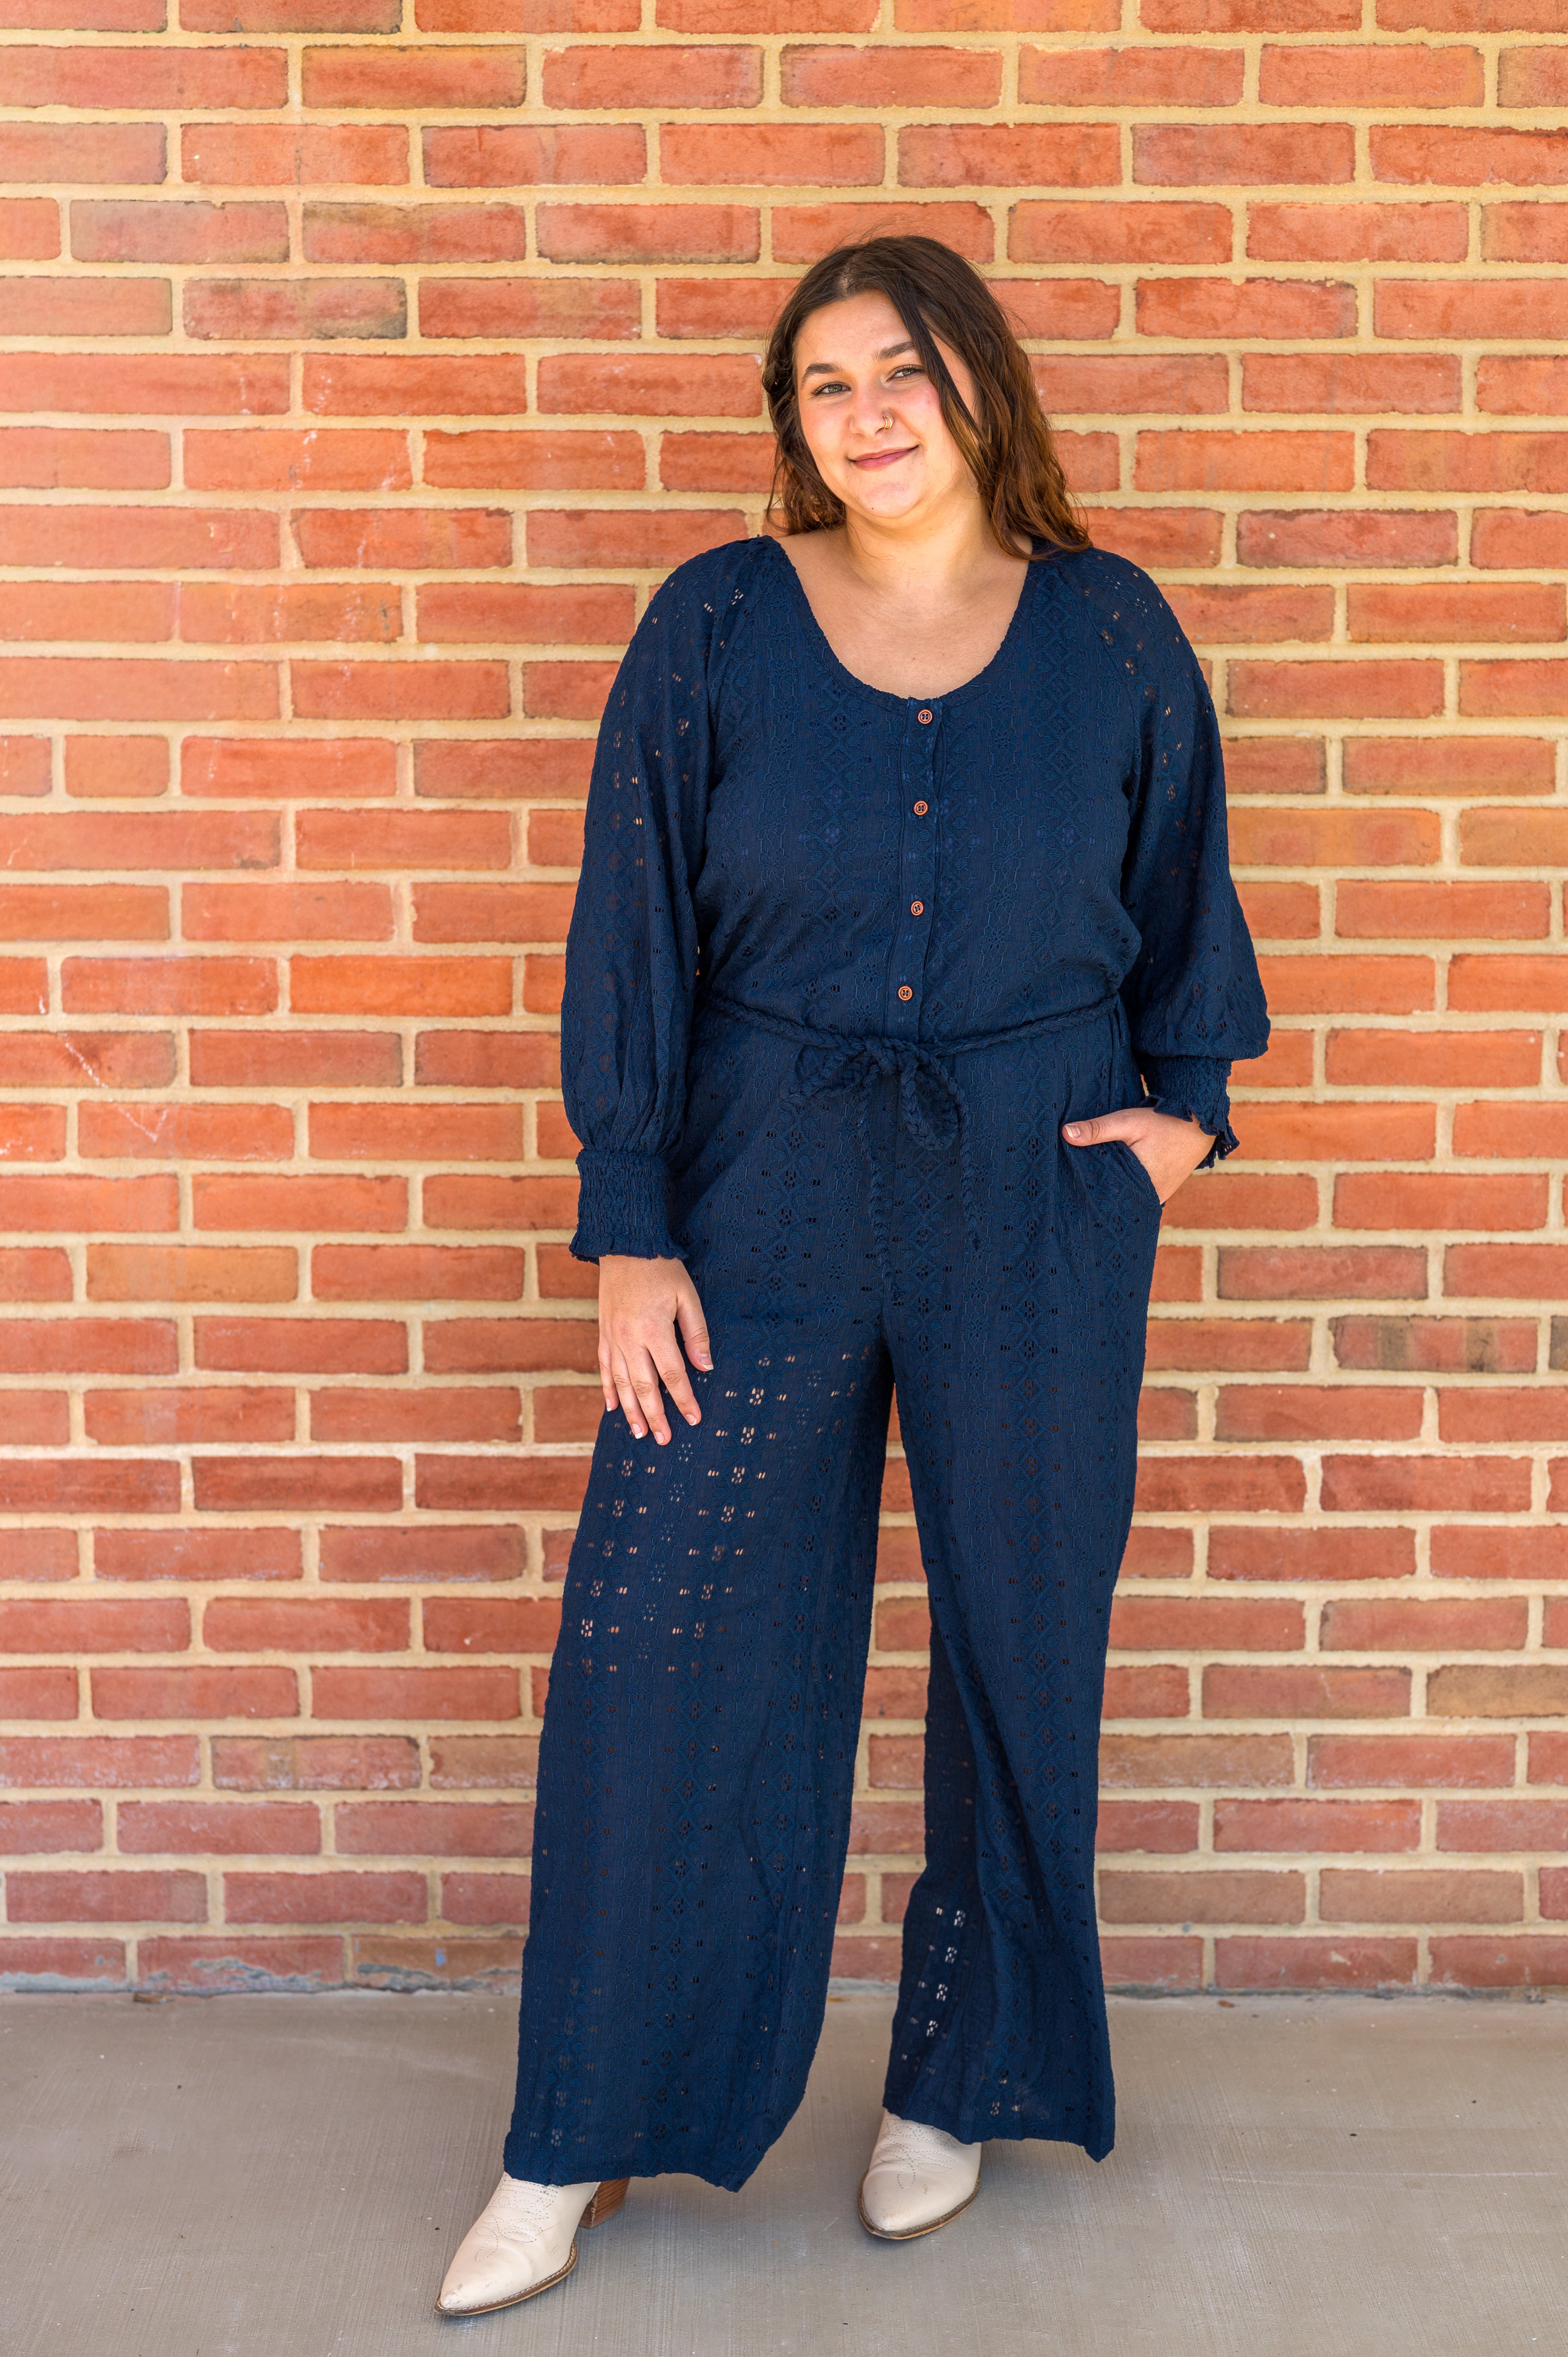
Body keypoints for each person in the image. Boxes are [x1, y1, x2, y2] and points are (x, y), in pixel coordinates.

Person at [435, 233, 1268, 2317]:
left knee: (1017, 1644)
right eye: (825, 383)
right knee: (663, 1649)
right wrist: (631, 1224)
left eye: (904, 369)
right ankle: (576, 2129)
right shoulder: (717, 619)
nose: (868, 413)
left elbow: (1185, 891)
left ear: (982, 385)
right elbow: (632, 914)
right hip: (757, 1195)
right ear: (791, 423)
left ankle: (957, 2083)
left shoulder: (1111, 625)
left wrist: (1182, 1117)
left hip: (1035, 1194)